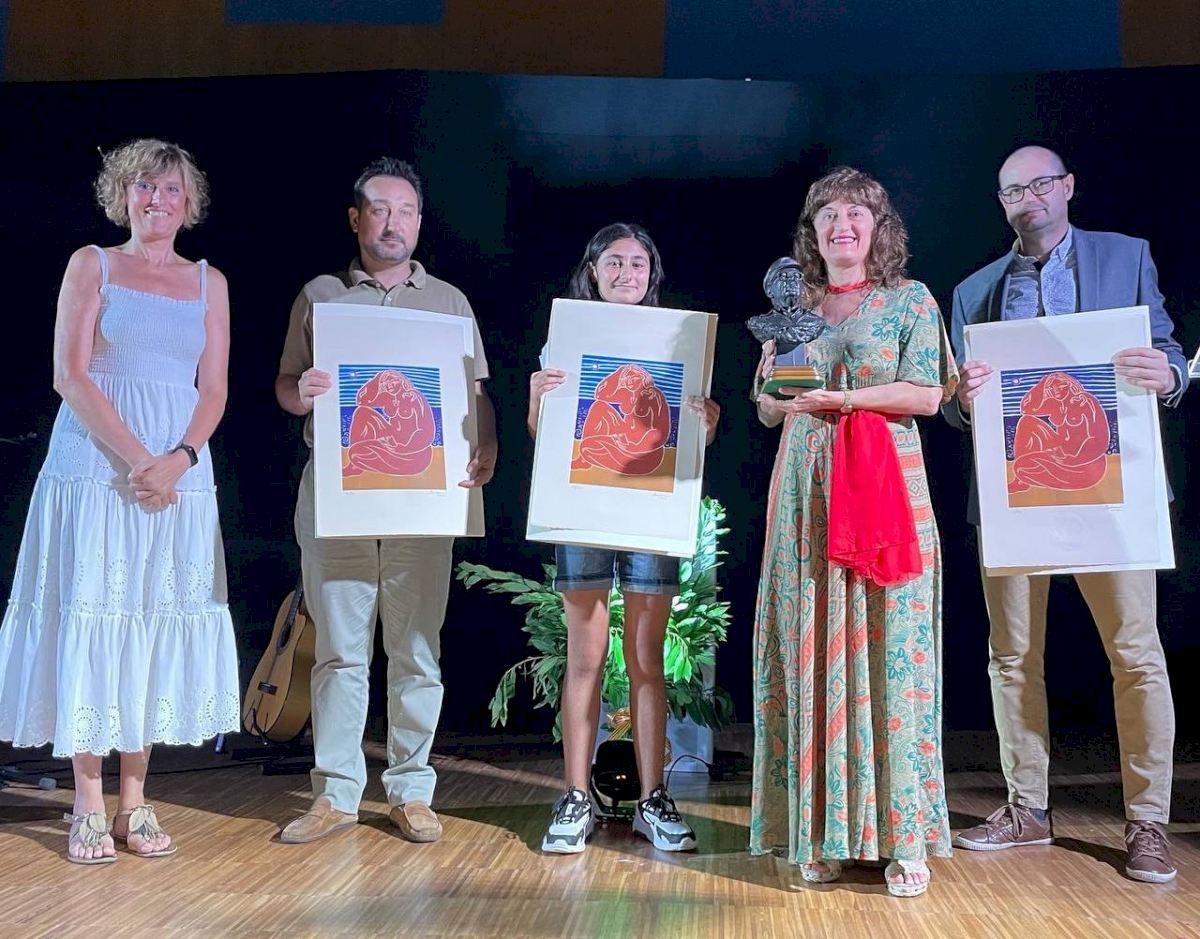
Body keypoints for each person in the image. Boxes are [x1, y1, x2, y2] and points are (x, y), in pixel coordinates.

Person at [944, 145, 1188, 883]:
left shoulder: (1125, 256)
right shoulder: (974, 291)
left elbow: (1168, 349)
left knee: (1136, 653)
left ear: (1069, 187)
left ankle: (1148, 820)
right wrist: (963, 400)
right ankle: (1027, 807)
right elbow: (958, 404)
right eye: (1014, 189)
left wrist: (1170, 372)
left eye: (1042, 183)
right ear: (1002, 203)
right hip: (1015, 494)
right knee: (1013, 655)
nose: (1031, 197)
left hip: (1114, 486)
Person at [0, 138, 240, 863]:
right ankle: (87, 802)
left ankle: (135, 801)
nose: (156, 200)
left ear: (188, 202)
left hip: (178, 475)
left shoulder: (210, 282)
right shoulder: (92, 264)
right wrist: (141, 460)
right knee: (94, 612)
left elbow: (214, 390)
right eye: (143, 186)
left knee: (151, 620)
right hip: (98, 468)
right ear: (122, 195)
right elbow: (70, 375)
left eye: (169, 189)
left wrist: (179, 459)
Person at [749, 167, 958, 897]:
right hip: (805, 489)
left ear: (878, 228)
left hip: (884, 487)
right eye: (828, 215)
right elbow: (767, 407)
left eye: (856, 214)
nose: (843, 225)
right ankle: (819, 834)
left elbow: (926, 394)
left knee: (890, 645)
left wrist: (841, 400)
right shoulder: (795, 306)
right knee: (809, 648)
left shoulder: (910, 300)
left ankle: (904, 839)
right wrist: (780, 390)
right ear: (812, 232)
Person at [275, 157, 497, 845]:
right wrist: (300, 393)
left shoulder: (450, 302)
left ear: (419, 222)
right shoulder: (320, 295)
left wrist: (487, 447)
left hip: (421, 502)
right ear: (356, 218)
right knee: (339, 652)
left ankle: (411, 789)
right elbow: (285, 385)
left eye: (404, 211)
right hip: (338, 497)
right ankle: (335, 794)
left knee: (417, 650)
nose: (392, 222)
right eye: (379, 209)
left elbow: (475, 394)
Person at [527, 222, 720, 854]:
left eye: (637, 263)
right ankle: (575, 796)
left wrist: (706, 422)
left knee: (646, 660)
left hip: (648, 513)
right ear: (593, 270)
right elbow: (544, 435)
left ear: (651, 274)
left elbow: (690, 440)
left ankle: (652, 799)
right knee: (584, 658)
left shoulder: (675, 341)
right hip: (584, 510)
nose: (625, 273)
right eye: (614, 262)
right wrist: (538, 400)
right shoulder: (569, 336)